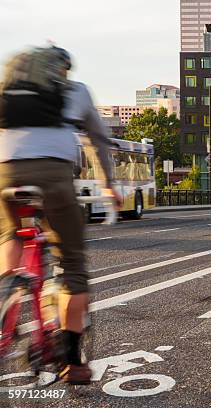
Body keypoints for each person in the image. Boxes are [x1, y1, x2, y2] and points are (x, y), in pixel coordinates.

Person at [0, 46, 121, 384]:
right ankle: (73, 361)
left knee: (9, 239)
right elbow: (100, 138)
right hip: (54, 178)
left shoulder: (7, 89)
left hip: (6, 175)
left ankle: (9, 284)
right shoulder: (76, 91)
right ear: (63, 69)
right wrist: (109, 184)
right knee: (72, 266)